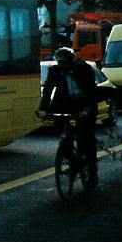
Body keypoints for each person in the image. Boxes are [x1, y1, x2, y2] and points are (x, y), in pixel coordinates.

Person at [37, 47, 99, 187]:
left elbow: (90, 90)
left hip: (84, 104)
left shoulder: (84, 69)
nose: (61, 65)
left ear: (71, 61)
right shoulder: (55, 71)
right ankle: (69, 155)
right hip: (65, 103)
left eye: (64, 62)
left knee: (86, 137)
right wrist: (43, 109)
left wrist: (87, 109)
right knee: (64, 131)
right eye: (59, 62)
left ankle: (92, 168)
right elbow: (48, 90)